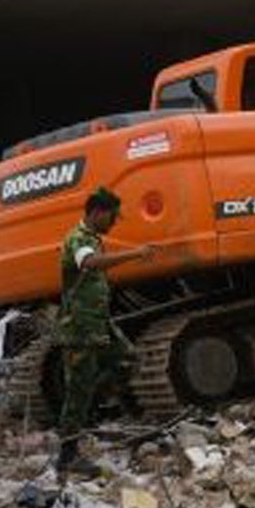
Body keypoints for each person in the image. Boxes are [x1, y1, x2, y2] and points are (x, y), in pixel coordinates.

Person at [55, 187, 151, 473]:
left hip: (98, 324)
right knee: (77, 389)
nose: (114, 222)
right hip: (79, 329)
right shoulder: (79, 239)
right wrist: (134, 254)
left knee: (128, 360)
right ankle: (68, 455)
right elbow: (88, 262)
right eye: (112, 216)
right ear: (97, 212)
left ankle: (95, 412)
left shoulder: (92, 238)